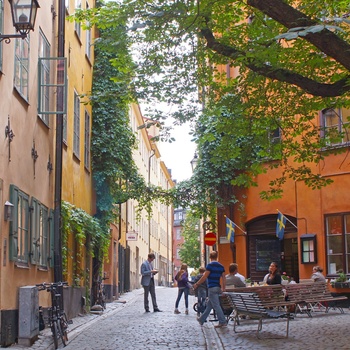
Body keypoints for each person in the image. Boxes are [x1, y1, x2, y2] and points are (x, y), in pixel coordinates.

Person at [193, 251, 227, 328]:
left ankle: (222, 321)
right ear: (217, 257)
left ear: (210, 257)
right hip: (218, 287)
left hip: (212, 287)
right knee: (209, 305)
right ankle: (201, 319)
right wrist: (223, 288)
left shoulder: (210, 266)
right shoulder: (221, 266)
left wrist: (197, 284)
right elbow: (224, 278)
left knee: (216, 305)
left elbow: (204, 276)